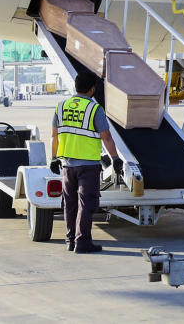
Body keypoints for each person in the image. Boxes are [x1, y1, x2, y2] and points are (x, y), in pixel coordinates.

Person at [50, 72, 122, 253]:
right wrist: (115, 159)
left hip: (67, 164)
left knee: (70, 203)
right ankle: (82, 242)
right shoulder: (94, 109)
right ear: (92, 89)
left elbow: (54, 136)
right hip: (88, 165)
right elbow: (106, 137)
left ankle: (70, 241)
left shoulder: (61, 106)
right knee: (86, 203)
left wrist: (53, 158)